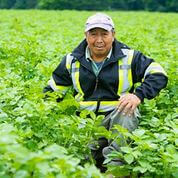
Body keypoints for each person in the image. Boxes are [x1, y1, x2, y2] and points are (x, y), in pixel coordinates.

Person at [44, 13, 168, 172]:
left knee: (127, 109)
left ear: (113, 35)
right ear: (86, 35)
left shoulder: (130, 57)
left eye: (104, 34)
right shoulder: (72, 60)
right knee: (81, 160)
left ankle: (115, 169)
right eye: (93, 34)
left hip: (116, 120)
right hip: (86, 123)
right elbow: (53, 92)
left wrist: (138, 95)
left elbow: (159, 74)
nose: (99, 40)